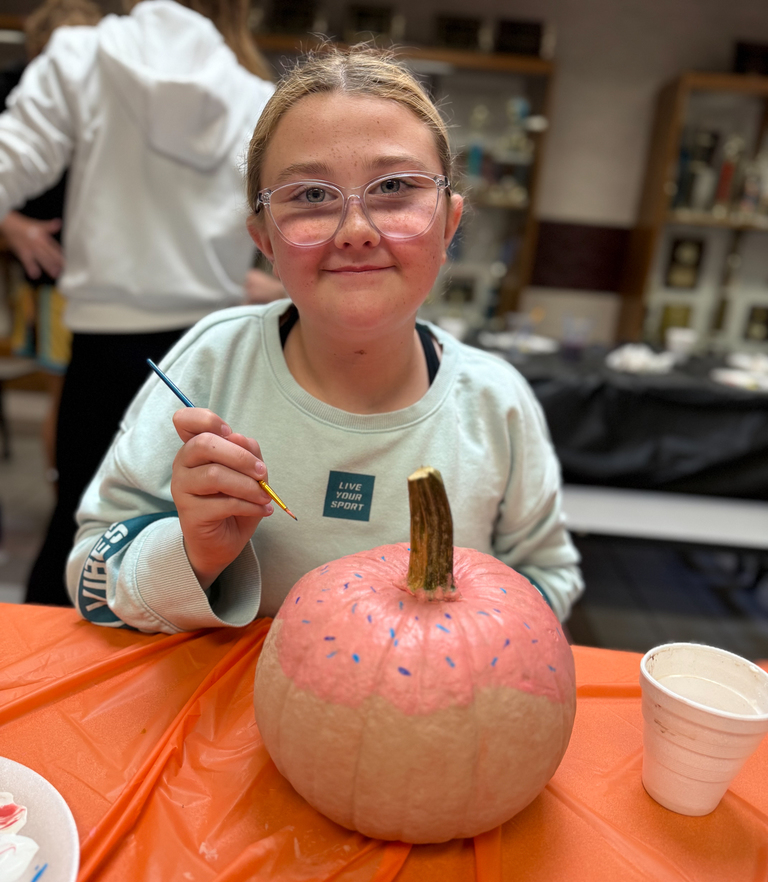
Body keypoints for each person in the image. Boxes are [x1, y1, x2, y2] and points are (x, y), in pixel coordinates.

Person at [65, 45, 584, 633]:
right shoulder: (213, 366)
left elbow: (549, 575)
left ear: (449, 223)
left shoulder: (497, 404)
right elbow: (92, 578)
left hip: (433, 715)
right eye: (311, 196)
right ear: (263, 237)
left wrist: (473, 640)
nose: (356, 231)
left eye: (394, 188)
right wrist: (194, 552)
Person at [0, 0, 274, 606]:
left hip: (105, 353)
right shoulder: (255, 96)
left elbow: (8, 165)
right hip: (213, 357)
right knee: (194, 538)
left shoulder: (80, 56)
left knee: (80, 531)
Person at [1, 0, 103, 476]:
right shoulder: (17, 95)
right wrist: (11, 226)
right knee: (70, 398)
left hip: (97, 275)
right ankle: (65, 496)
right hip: (52, 278)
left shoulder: (111, 102)